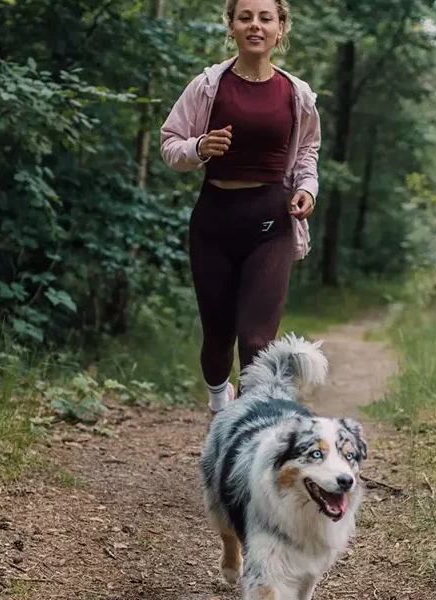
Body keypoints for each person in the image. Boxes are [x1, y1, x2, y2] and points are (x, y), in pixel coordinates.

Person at [160, 0, 320, 413]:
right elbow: (170, 144)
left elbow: (307, 152)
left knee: (255, 340)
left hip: (271, 221)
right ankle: (219, 404)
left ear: (280, 28)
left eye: (266, 18)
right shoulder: (209, 86)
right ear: (230, 26)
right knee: (218, 337)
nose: (255, 25)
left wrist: (307, 188)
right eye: (244, 17)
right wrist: (199, 147)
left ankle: (247, 435)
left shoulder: (296, 93)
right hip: (214, 220)